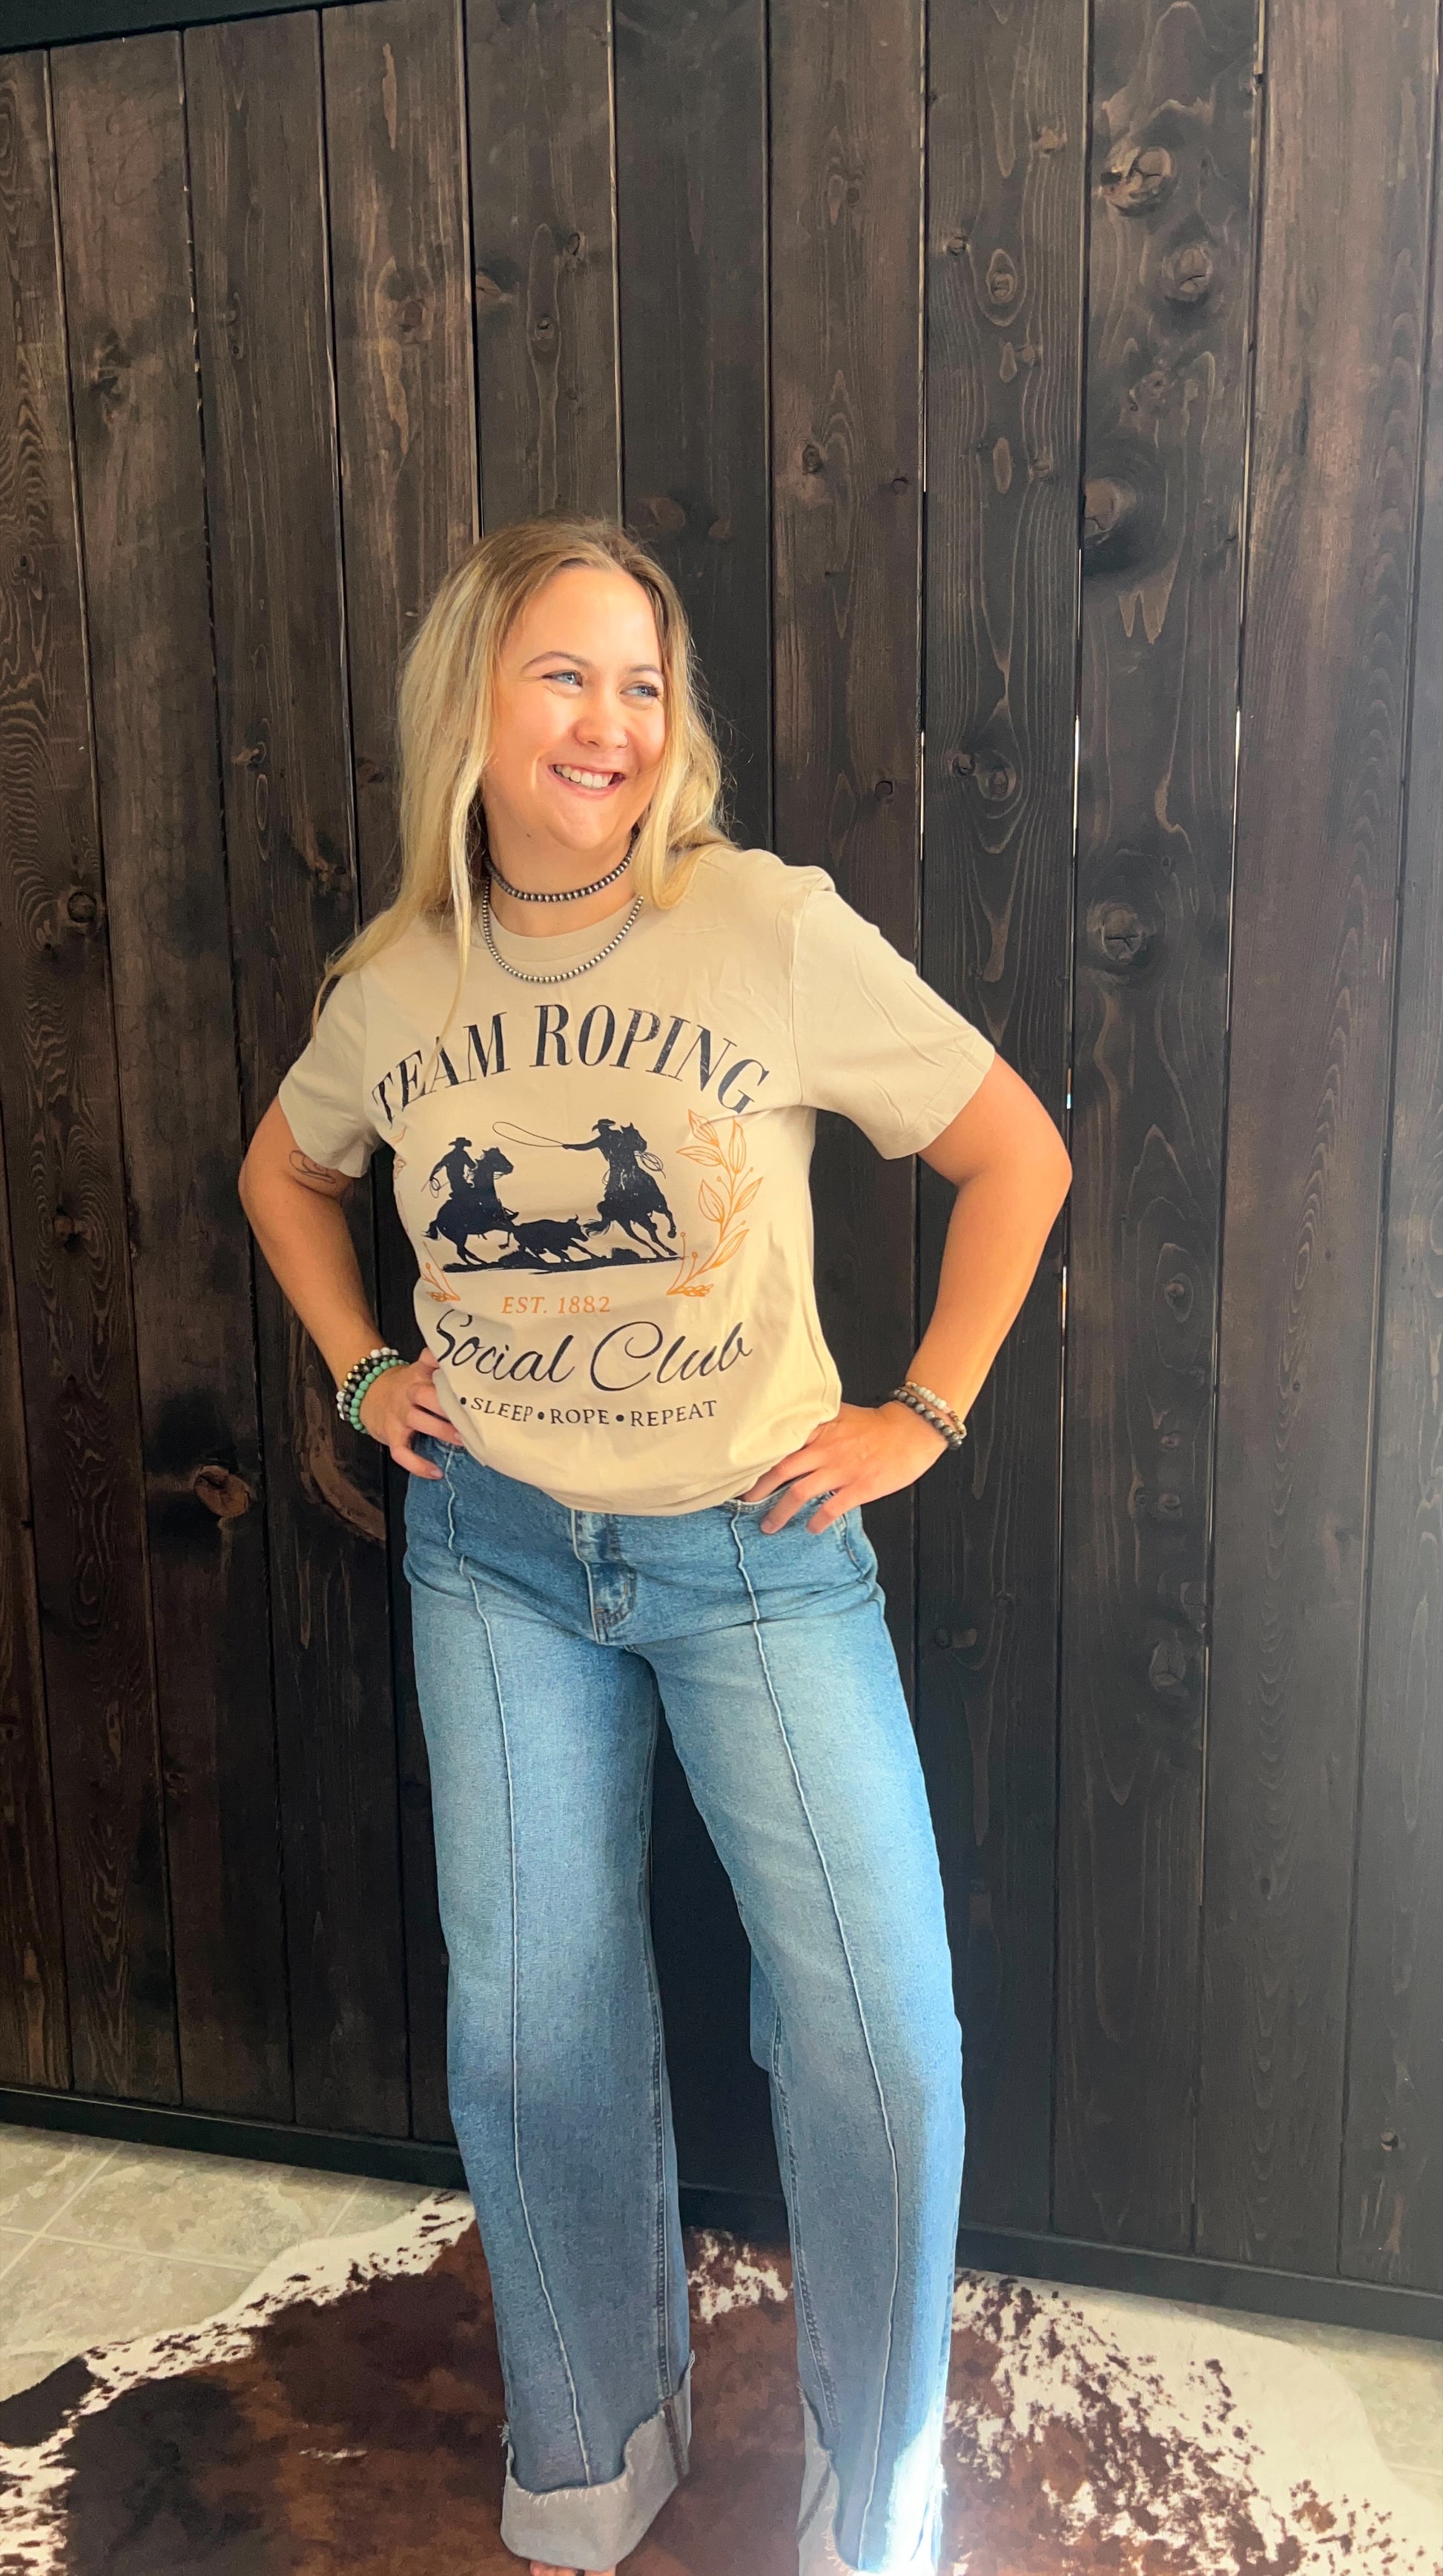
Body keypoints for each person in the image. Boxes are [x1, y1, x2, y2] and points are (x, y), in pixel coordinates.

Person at [237, 515, 1071, 2576]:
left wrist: (923, 1411)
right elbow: (284, 1170)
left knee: (880, 2036)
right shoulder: (395, 982)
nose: (610, 721)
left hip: (757, 1554)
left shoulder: (760, 929)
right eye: (563, 674)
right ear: (473, 699)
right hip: (497, 1557)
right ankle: (592, 2456)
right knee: (531, 2038)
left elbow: (1012, 1152)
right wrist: (364, 1370)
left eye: (642, 681)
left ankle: (874, 2492)